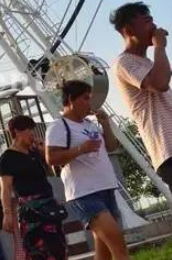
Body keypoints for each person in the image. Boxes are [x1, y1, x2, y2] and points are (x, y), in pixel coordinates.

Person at [110, 2, 172, 260]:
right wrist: (161, 47)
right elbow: (160, 83)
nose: (153, 25)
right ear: (129, 29)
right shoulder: (124, 63)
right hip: (171, 151)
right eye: (146, 21)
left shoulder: (145, 60)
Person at [45, 80, 129, 260]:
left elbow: (111, 146)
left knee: (104, 251)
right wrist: (80, 149)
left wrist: (105, 124)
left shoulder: (89, 124)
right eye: (85, 98)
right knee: (119, 247)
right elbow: (51, 158)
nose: (89, 103)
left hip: (106, 189)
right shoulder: (59, 126)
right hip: (84, 193)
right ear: (70, 99)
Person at [0, 115, 67, 260]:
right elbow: (6, 188)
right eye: (28, 130)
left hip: (50, 206)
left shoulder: (34, 152)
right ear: (17, 132)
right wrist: (7, 213)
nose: (32, 134)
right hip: (32, 211)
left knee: (59, 249)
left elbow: (53, 172)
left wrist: (45, 153)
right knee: (39, 250)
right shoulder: (8, 158)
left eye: (32, 129)